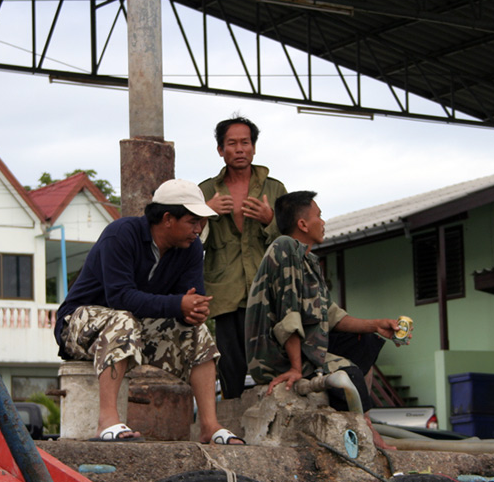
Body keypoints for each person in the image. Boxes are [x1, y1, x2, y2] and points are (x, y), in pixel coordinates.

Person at [54, 179, 244, 445]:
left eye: (201, 222)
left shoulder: (191, 248)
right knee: (123, 318)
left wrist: (193, 312)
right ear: (168, 218)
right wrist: (178, 305)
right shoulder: (121, 234)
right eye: (193, 221)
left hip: (135, 326)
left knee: (197, 333)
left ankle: (209, 426)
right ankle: (106, 421)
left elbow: (189, 298)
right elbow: (120, 297)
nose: (199, 229)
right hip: (77, 324)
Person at [244, 191, 400, 449]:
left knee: (366, 342)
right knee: (349, 372)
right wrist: (295, 368)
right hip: (276, 355)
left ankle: (365, 421)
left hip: (303, 349)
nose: (323, 221)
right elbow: (288, 314)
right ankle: (365, 432)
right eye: (318, 215)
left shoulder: (309, 260)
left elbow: (332, 316)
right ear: (303, 224)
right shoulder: (286, 247)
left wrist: (376, 324)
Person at [200, 115, 288, 400]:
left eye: (245, 142)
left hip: (267, 288)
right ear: (220, 150)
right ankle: (230, 420)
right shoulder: (205, 191)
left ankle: (278, 416)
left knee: (274, 358)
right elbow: (188, 240)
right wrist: (206, 211)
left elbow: (291, 242)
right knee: (230, 364)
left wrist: (270, 219)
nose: (239, 149)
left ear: (253, 147)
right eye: (232, 143)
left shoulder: (274, 189)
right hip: (225, 291)